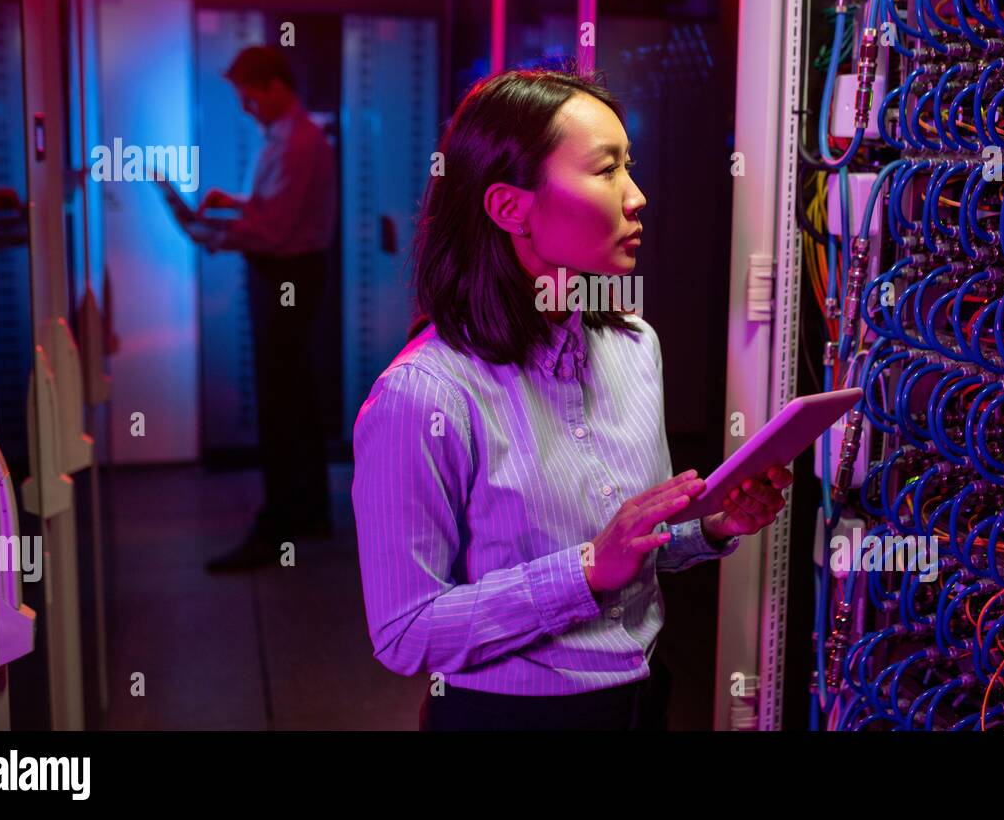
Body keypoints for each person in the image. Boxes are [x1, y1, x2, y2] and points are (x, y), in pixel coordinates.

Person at [350, 69, 791, 730]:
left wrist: (710, 526)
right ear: (509, 207)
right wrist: (584, 571)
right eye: (606, 170)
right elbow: (406, 633)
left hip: (643, 701)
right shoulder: (424, 395)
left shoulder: (634, 346)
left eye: (629, 167)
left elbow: (635, 549)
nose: (637, 197)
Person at [180, 45, 338, 573]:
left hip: (287, 277)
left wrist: (212, 233)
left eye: (249, 97)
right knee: (296, 395)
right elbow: (275, 210)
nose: (246, 108)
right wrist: (238, 204)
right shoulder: (288, 138)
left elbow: (275, 232)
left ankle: (277, 527)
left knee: (279, 401)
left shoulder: (296, 142)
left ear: (275, 85)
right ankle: (310, 512)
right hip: (293, 273)